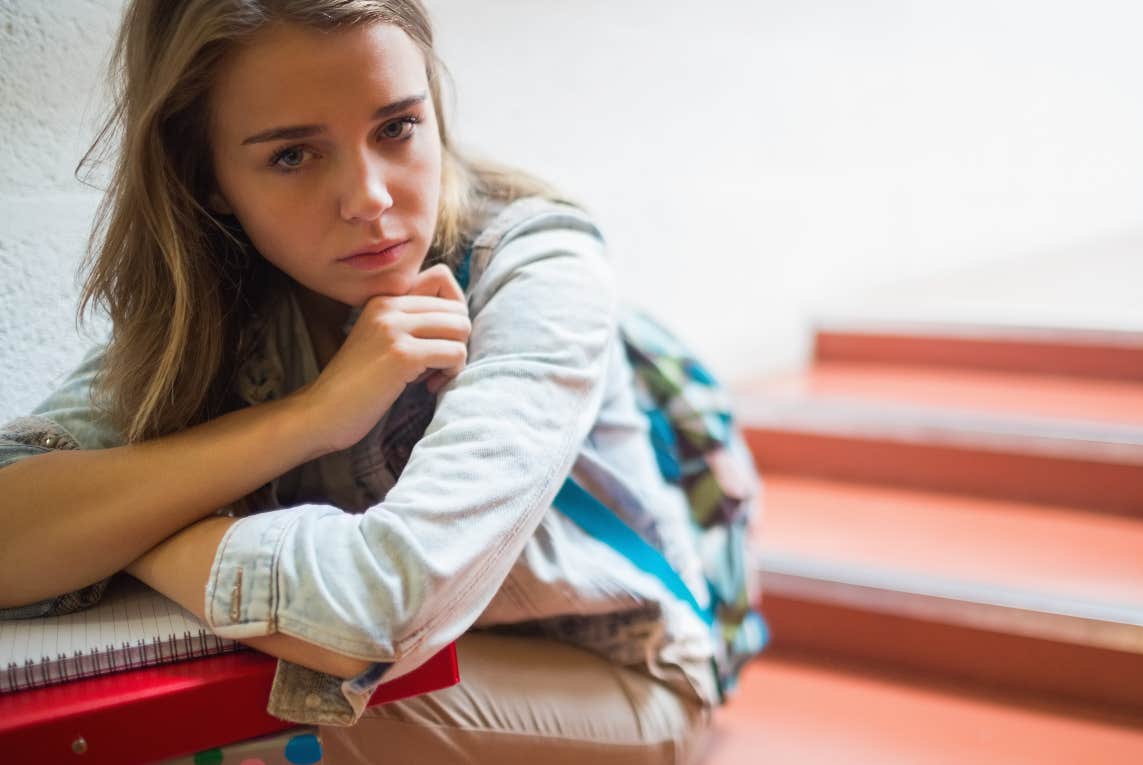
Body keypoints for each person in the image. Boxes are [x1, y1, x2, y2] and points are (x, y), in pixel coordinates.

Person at [0, 1, 718, 762]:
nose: (371, 199)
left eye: (396, 128)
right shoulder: (221, 300)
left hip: (616, 673)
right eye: (293, 156)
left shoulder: (537, 264)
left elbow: (378, 607)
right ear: (206, 176)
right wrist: (312, 416)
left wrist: (135, 524)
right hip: (413, 669)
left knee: (207, 741)